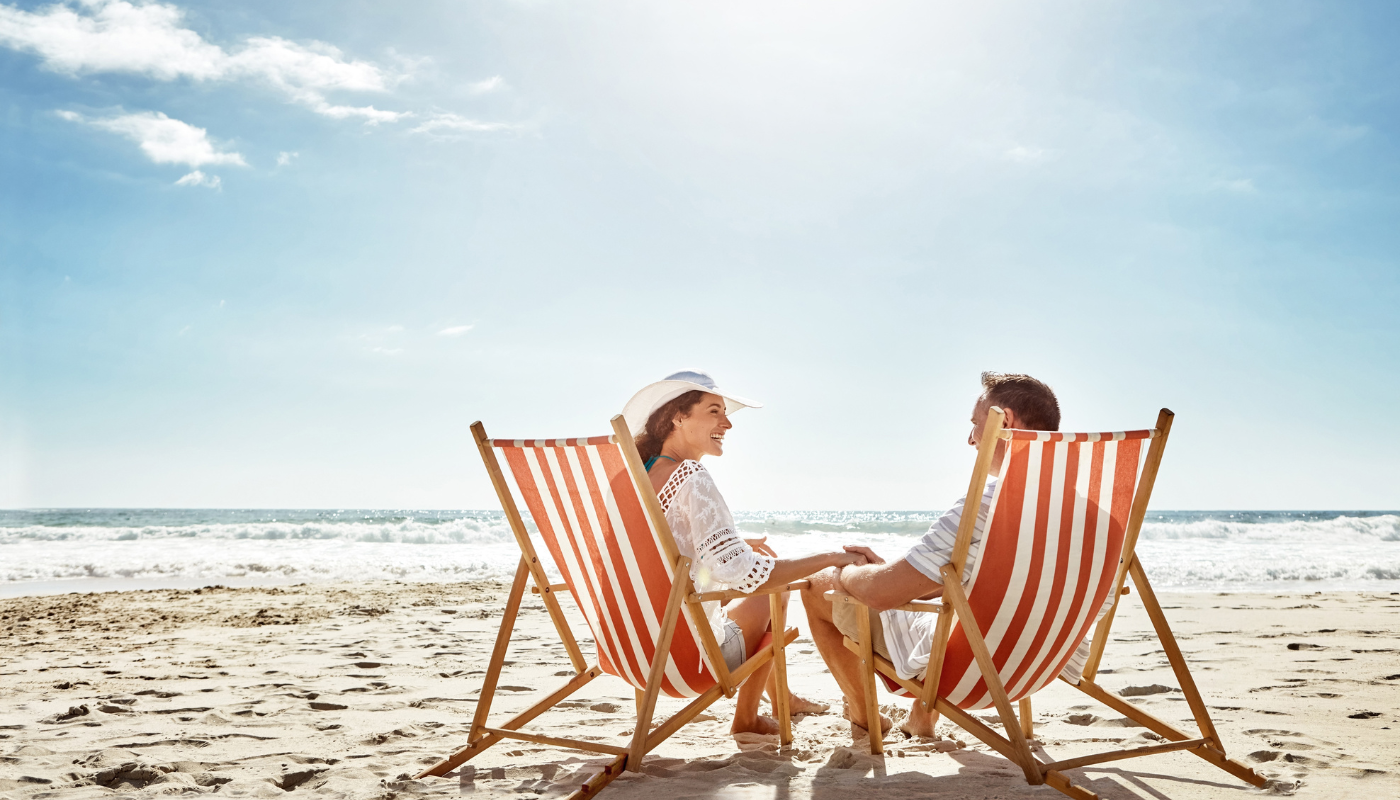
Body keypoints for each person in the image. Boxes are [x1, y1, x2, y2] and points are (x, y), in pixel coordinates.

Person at [799, 372, 1112, 738]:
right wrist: (897, 574)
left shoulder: (985, 509)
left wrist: (847, 571)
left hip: (970, 672)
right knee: (953, 597)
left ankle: (863, 714)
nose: (970, 439)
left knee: (816, 586)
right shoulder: (1100, 521)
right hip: (1039, 666)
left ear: (1004, 422)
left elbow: (879, 594)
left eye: (976, 424)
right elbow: (988, 587)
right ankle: (922, 717)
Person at [623, 370, 870, 736]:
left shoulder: (636, 478)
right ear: (677, 417)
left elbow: (659, 553)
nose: (727, 424)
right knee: (777, 591)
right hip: (687, 659)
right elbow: (744, 572)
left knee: (752, 579)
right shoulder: (690, 475)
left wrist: (727, 544)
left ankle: (783, 695)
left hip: (634, 649)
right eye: (713, 411)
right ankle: (748, 719)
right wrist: (831, 557)